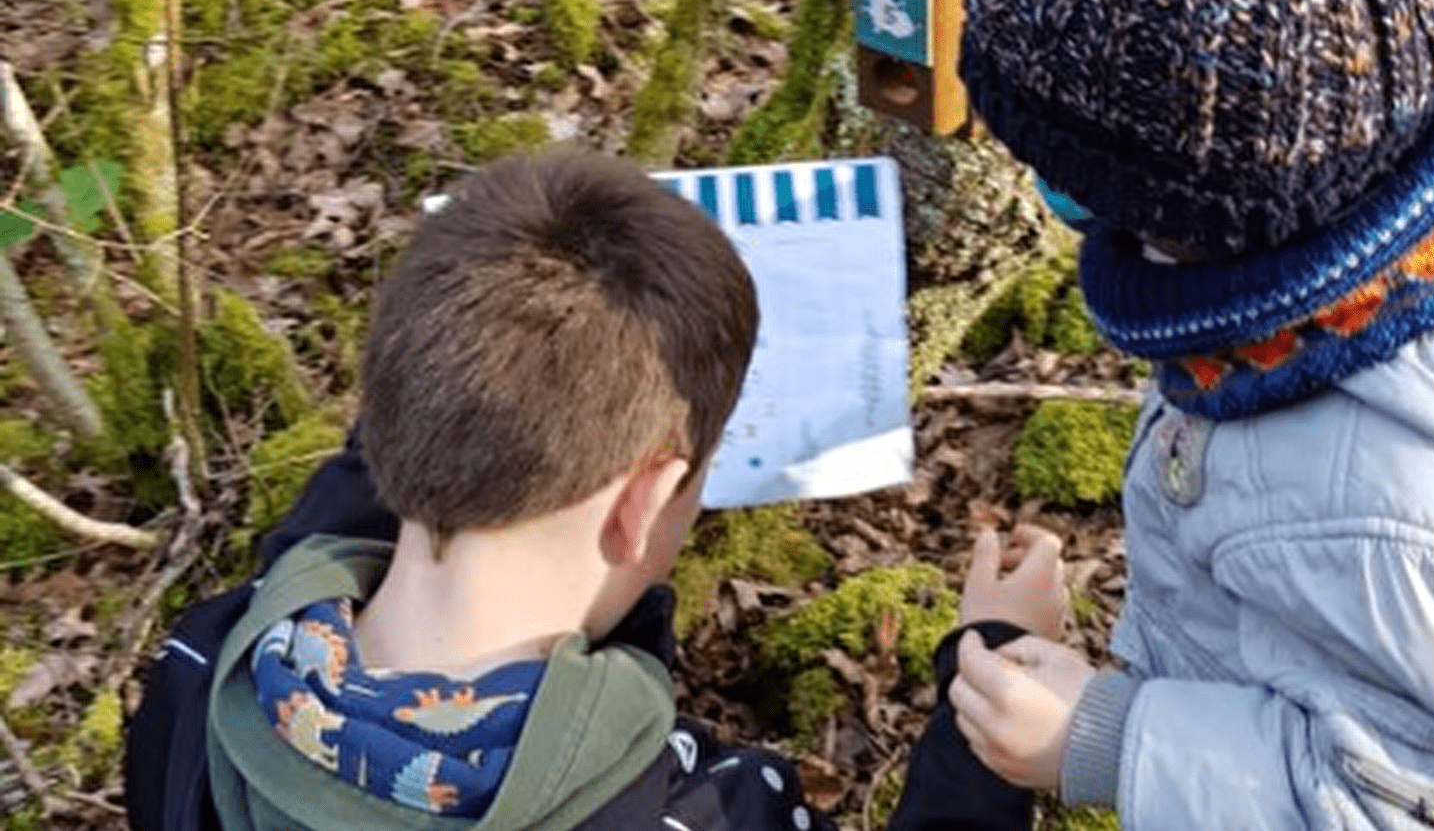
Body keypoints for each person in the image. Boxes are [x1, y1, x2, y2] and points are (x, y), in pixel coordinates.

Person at [125, 148, 1068, 831]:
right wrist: (991, 678)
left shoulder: (203, 675)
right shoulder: (714, 812)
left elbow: (335, 511)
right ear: (647, 505)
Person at [946, 0, 1434, 827]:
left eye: (1061, 175)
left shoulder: (1389, 508)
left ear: (1200, 211)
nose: (1050, 195)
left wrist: (1106, 737)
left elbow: (1395, 807)